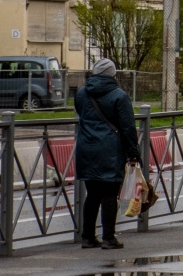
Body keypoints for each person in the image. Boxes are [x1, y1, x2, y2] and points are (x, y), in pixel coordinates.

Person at [75, 58, 139, 250]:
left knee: (92, 193)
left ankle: (87, 237)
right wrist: (133, 153)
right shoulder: (119, 95)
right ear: (113, 74)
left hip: (86, 147)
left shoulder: (81, 93)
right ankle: (108, 238)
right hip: (110, 149)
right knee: (110, 192)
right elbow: (127, 127)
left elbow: (81, 113)